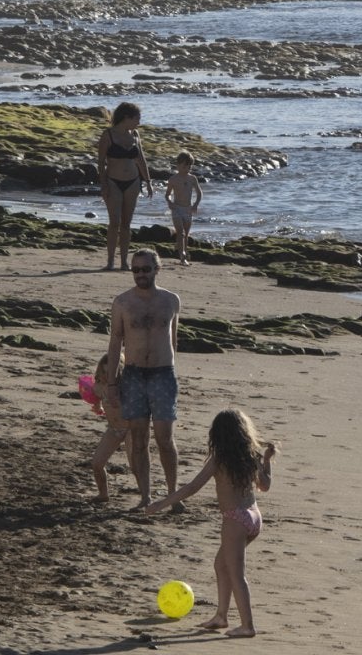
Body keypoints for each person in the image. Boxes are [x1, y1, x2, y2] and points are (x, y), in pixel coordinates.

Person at [141, 409, 276, 637]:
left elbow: (192, 488)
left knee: (236, 574)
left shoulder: (219, 460)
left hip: (235, 519)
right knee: (221, 565)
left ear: (218, 435)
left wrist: (160, 504)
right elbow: (265, 486)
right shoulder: (251, 456)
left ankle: (248, 626)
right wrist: (267, 460)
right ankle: (221, 616)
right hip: (254, 517)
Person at [106, 249, 181, 510]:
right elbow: (115, 343)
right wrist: (112, 383)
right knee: (138, 439)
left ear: (156, 269)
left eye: (145, 269)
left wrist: (172, 371)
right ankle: (145, 496)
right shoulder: (123, 303)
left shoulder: (171, 300)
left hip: (163, 374)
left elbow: (173, 340)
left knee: (165, 438)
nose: (140, 275)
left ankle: (172, 495)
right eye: (135, 270)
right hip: (134, 375)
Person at [97, 101, 154, 270]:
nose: (139, 122)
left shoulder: (135, 134)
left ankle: (124, 262)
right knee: (114, 222)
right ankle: (110, 261)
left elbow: (141, 159)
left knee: (126, 224)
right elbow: (100, 163)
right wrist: (104, 185)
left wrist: (148, 182)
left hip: (133, 182)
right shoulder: (108, 135)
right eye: (137, 118)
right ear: (126, 117)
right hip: (113, 181)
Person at [85, 352, 131, 503]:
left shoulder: (127, 386)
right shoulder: (99, 387)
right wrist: (97, 406)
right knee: (97, 463)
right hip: (113, 429)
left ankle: (145, 496)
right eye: (105, 372)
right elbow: (94, 397)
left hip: (131, 428)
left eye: (113, 372)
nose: (108, 376)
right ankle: (103, 494)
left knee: (136, 465)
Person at [164, 151, 202, 267]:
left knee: (185, 234)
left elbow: (199, 193)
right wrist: (169, 202)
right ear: (178, 165)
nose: (187, 168)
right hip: (176, 209)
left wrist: (195, 204)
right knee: (180, 233)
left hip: (188, 209)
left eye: (189, 166)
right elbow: (167, 194)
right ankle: (182, 256)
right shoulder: (173, 179)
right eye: (185, 165)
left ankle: (183, 252)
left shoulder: (192, 178)